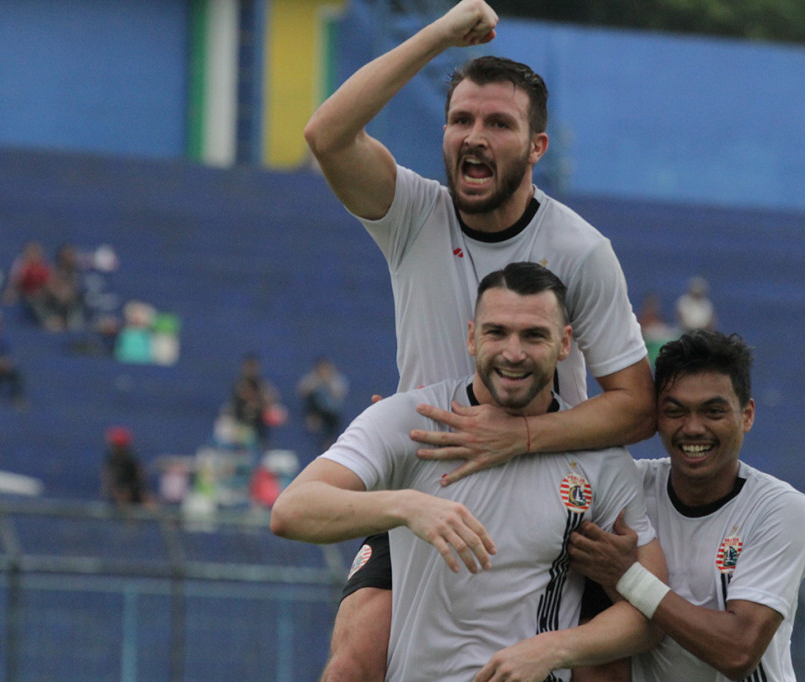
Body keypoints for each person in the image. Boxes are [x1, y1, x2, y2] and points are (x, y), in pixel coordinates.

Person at [303, 2, 656, 678]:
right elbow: (328, 135)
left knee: (604, 663)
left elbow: (636, 404)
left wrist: (516, 438)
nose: (475, 135)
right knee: (356, 655)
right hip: (430, 476)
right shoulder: (414, 214)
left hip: (551, 489)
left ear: (536, 147)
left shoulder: (580, 249)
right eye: (461, 119)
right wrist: (437, 34)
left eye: (499, 123)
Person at [271, 263, 666, 682]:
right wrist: (406, 506)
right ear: (471, 337)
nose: (513, 353)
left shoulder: (600, 461)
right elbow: (291, 510)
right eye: (497, 332)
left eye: (534, 335)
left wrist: (551, 650)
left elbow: (654, 611)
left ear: (564, 343)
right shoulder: (411, 419)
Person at [554, 330, 805, 681]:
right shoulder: (628, 489)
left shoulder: (781, 509)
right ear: (657, 418)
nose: (693, 428)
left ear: (747, 415)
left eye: (713, 411)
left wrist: (627, 576)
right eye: (675, 411)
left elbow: (738, 650)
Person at [297, 356, 349, 451]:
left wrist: (328, 383)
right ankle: (313, 420)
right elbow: (303, 392)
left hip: (331, 413)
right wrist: (318, 383)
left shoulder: (336, 380)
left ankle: (328, 441)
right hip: (315, 410)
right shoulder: (311, 379)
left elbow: (339, 395)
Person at [101, 426, 153, 508]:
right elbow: (109, 479)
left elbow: (140, 474)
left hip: (132, 491)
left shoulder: (129, 459)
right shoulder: (113, 459)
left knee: (150, 503)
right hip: (122, 493)